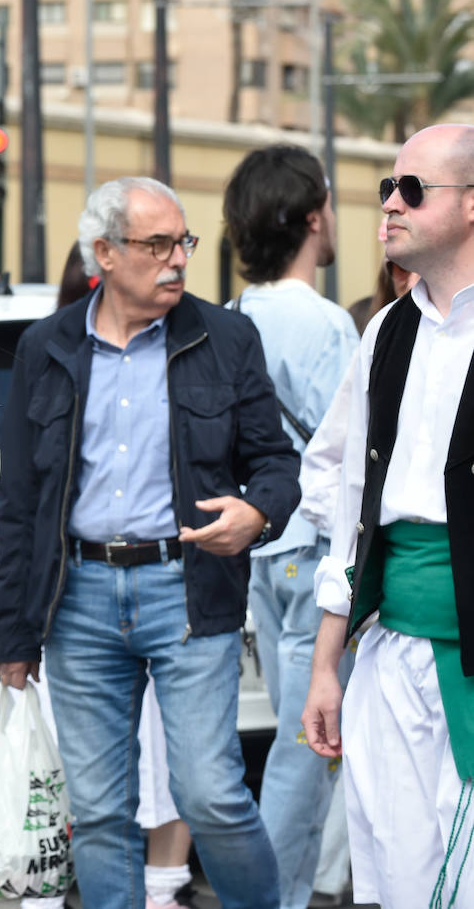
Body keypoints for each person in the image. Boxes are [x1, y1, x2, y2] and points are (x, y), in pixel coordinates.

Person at [0, 175, 299, 908]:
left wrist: (258, 513)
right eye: (155, 244)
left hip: (188, 587)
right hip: (80, 599)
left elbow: (277, 463)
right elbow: (23, 503)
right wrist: (15, 636)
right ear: (103, 251)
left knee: (211, 794)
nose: (176, 260)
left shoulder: (224, 336)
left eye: (182, 242)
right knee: (99, 812)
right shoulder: (47, 345)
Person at [302, 123, 474, 907]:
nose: (390, 205)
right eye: (386, 189)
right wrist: (324, 665)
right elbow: (349, 506)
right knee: (403, 876)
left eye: (414, 189)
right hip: (390, 649)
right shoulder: (388, 330)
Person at [220, 144, 359, 909]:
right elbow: (351, 456)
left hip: (262, 551)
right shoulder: (329, 325)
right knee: (311, 743)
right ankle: (269, 898)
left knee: (296, 732)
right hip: (314, 551)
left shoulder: (233, 318)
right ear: (312, 218)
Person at [54, 234, 198, 909]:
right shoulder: (56, 353)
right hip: (78, 583)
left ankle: (163, 883)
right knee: (102, 775)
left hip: (169, 574)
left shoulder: (190, 343)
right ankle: (152, 883)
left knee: (187, 765)